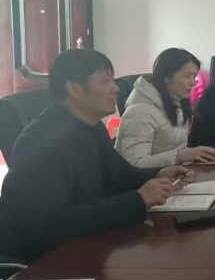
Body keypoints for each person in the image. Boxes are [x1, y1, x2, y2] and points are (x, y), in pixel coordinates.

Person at [0, 50, 194, 263]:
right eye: (105, 81)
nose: (116, 88)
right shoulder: (42, 142)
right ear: (74, 89)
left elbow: (119, 174)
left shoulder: (91, 127)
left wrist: (158, 174)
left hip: (83, 246)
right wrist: (137, 200)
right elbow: (53, 223)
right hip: (37, 263)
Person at [117, 48, 215, 167]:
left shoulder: (177, 102)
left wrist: (193, 154)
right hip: (149, 178)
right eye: (187, 76)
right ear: (166, 77)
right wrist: (180, 156)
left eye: (194, 76)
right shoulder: (140, 112)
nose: (192, 82)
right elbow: (134, 163)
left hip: (173, 173)